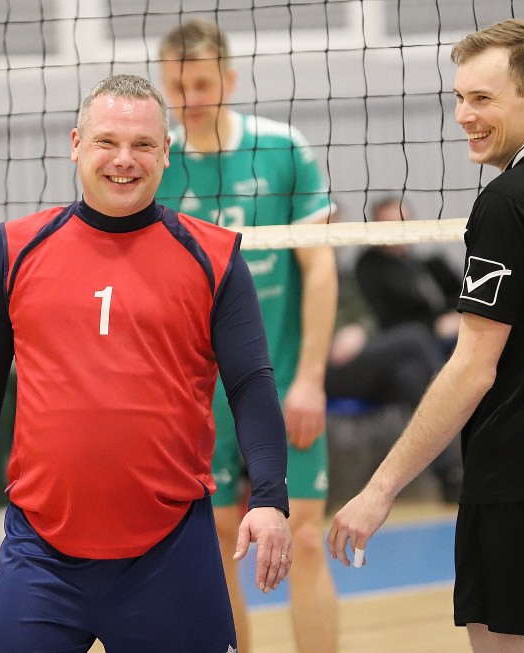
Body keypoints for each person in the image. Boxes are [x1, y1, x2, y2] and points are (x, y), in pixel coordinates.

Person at [0, 73, 292, 652]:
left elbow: (252, 385)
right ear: (76, 143)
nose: (124, 159)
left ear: (166, 152)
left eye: (142, 144)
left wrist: (270, 498)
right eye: (107, 141)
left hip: (171, 553)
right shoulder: (16, 249)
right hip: (41, 555)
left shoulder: (214, 257)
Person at [329, 19, 524, 653]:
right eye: (459, 98)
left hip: (520, 482)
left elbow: (472, 368)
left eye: (481, 98)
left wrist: (379, 489)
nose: (463, 116)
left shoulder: (510, 200)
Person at [156, 20, 338, 653]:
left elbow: (320, 268)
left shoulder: (281, 148)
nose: (190, 99)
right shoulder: (155, 163)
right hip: (196, 396)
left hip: (281, 381)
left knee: (305, 538)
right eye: (176, 86)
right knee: (215, 547)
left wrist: (311, 378)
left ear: (228, 80)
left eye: (202, 84)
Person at [326, 197, 465, 502]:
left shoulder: (343, 273)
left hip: (362, 362)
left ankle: (452, 475)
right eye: (328, 223)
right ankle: (456, 401)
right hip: (320, 368)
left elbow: (366, 317)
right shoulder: (356, 269)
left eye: (336, 222)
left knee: (409, 377)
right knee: (416, 337)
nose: (335, 229)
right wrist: (332, 337)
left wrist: (359, 329)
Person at [355, 197, 463, 355]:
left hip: (445, 333)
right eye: (391, 224)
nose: (400, 230)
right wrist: (436, 326)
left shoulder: (423, 263)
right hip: (413, 342)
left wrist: (457, 317)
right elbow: (387, 321)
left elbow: (457, 297)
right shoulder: (369, 268)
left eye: (404, 222)